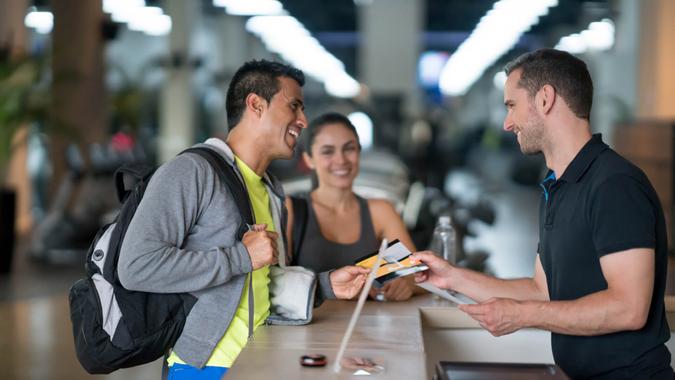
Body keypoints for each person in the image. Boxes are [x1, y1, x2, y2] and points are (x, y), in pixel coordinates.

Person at [412, 48, 672, 379]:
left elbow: (628, 308)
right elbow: (542, 291)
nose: (507, 123)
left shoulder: (614, 185)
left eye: (512, 106)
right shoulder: (556, 187)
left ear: (545, 99)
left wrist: (521, 316)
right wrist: (451, 277)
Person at [117, 60, 369, 379]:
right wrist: (241, 256)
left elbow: (257, 284)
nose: (303, 121)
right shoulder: (191, 172)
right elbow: (136, 267)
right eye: (294, 106)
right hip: (202, 368)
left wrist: (325, 285)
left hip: (262, 360)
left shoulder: (269, 189)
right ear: (255, 104)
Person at [285, 112, 423, 302]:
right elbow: (272, 283)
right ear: (309, 159)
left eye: (349, 149)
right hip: (307, 330)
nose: (341, 160)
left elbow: (417, 276)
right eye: (328, 151)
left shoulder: (380, 212)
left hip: (369, 329)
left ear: (359, 153)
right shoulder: (292, 210)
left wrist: (406, 284)